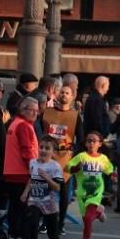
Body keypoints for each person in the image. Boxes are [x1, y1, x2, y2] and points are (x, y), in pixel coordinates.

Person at [21, 137, 64, 239]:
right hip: (35, 200)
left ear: (53, 152)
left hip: (49, 203)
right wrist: (25, 193)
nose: (43, 150)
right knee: (32, 220)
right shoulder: (32, 162)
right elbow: (31, 179)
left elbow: (57, 187)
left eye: (47, 148)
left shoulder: (55, 167)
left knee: (54, 236)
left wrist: (47, 178)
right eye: (41, 147)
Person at [40, 84, 83, 230]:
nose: (64, 95)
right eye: (62, 92)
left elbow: (81, 139)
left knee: (64, 192)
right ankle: (45, 222)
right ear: (58, 95)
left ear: (72, 97)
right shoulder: (47, 112)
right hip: (47, 155)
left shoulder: (75, 116)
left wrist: (76, 156)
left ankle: (60, 224)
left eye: (67, 93)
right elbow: (39, 131)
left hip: (66, 156)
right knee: (45, 190)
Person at [66, 131, 113, 239]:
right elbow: (67, 168)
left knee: (87, 219)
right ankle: (98, 213)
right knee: (86, 218)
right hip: (82, 193)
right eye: (89, 141)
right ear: (86, 143)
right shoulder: (81, 157)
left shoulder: (103, 158)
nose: (91, 143)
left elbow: (110, 170)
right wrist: (76, 168)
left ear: (100, 144)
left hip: (96, 193)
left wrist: (113, 177)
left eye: (94, 141)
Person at [3, 97, 40, 239]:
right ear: (23, 109)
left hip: (12, 171)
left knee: (15, 206)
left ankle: (15, 236)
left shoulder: (14, 123)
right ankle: (21, 236)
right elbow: (27, 150)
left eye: (37, 111)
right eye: (32, 110)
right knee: (23, 207)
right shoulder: (24, 125)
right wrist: (34, 168)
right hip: (22, 172)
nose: (35, 114)